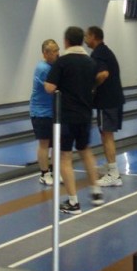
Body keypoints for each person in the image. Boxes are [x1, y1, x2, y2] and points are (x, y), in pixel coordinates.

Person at [44, 26, 104, 215]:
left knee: (65, 157)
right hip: (85, 115)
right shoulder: (90, 62)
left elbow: (49, 87)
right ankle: (96, 192)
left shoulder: (62, 62)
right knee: (86, 151)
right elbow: (95, 81)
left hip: (67, 117)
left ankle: (73, 202)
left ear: (66, 41)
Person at [85, 26, 125, 187]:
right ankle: (110, 166)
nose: (85, 39)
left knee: (106, 136)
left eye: (87, 36)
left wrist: (92, 87)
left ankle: (114, 174)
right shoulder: (105, 51)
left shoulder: (98, 53)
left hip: (107, 101)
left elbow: (103, 74)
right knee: (107, 135)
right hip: (114, 99)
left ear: (93, 36)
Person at [30, 39, 60, 185]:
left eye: (57, 50)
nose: (57, 53)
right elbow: (51, 89)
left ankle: (54, 172)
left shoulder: (54, 66)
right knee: (44, 144)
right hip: (41, 112)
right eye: (54, 51)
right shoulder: (43, 69)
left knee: (55, 144)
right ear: (45, 54)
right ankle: (44, 173)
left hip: (53, 111)